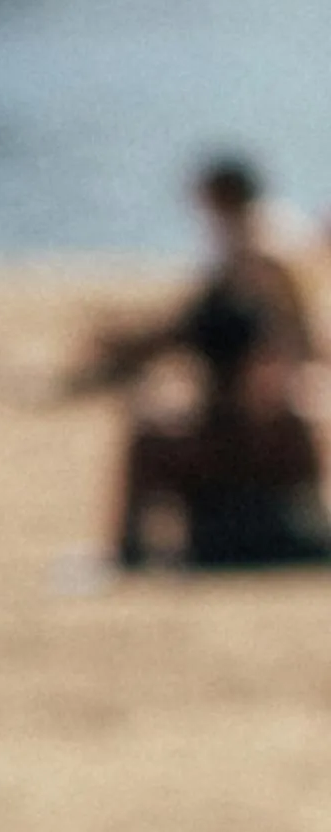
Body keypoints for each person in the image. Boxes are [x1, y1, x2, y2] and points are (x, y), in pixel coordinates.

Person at [68, 157, 326, 569]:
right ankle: (131, 552)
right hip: (260, 400)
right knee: (153, 415)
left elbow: (276, 335)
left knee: (149, 437)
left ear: (219, 196)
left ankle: (127, 555)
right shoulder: (263, 237)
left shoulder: (258, 250)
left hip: (259, 411)